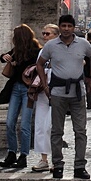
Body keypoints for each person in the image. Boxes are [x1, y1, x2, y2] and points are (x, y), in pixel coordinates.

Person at [36, 14, 91, 179]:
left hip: (78, 92)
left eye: (69, 26)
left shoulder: (83, 43)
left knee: (80, 131)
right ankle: (58, 164)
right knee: (57, 131)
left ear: (73, 28)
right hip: (57, 92)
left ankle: (79, 166)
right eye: (63, 26)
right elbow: (40, 64)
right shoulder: (51, 46)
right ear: (60, 27)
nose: (66, 29)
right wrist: (44, 84)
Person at [0, 24, 42, 170]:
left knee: (25, 125)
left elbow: (34, 68)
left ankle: (23, 156)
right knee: (10, 122)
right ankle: (11, 153)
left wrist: (18, 64)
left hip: (29, 91)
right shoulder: (16, 50)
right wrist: (5, 57)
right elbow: (3, 58)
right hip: (15, 89)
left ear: (20, 37)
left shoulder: (36, 51)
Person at [30, 23, 59, 172]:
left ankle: (56, 160)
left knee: (53, 126)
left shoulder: (60, 50)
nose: (44, 36)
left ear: (56, 35)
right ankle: (43, 159)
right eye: (44, 33)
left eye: (48, 34)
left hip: (57, 91)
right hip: (42, 90)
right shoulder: (42, 52)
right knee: (41, 125)